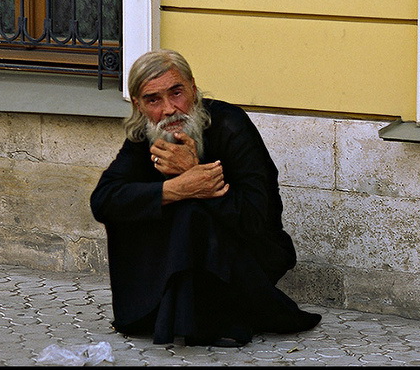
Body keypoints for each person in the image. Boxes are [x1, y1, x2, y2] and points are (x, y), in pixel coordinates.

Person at [90, 49, 321, 347]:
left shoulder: (230, 125)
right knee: (152, 206)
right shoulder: (144, 135)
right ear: (139, 105)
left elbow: (256, 218)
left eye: (177, 93)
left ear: (193, 88)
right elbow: (103, 200)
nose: (170, 109)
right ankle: (163, 310)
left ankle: (211, 318)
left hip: (247, 257)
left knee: (191, 215)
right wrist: (177, 189)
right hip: (175, 262)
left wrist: (196, 174)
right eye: (153, 100)